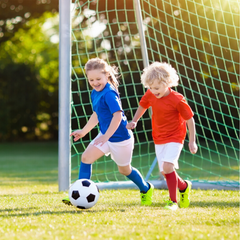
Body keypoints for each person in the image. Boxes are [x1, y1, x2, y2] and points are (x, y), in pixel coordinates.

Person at [62, 58, 153, 206]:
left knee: (124, 170)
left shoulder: (109, 93)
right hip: (105, 136)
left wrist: (106, 136)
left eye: (98, 78)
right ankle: (77, 194)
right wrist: (84, 131)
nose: (95, 82)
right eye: (91, 79)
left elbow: (117, 116)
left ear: (106, 75)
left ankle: (146, 188)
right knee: (86, 158)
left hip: (120, 139)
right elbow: (97, 114)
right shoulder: (95, 92)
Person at [126, 62, 198, 210]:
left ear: (167, 83)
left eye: (156, 88)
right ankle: (184, 187)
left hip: (175, 137)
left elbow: (190, 119)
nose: (153, 91)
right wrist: (134, 120)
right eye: (150, 88)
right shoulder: (151, 94)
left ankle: (173, 202)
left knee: (168, 166)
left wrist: (192, 141)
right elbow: (143, 105)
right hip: (158, 137)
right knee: (165, 171)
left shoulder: (177, 99)